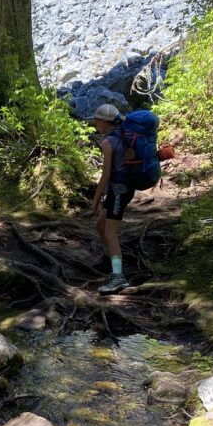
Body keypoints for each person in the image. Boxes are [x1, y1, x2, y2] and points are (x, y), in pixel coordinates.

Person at [90, 103, 132, 295]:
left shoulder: (108, 143)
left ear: (104, 122)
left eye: (97, 120)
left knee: (110, 232)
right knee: (101, 225)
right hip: (124, 188)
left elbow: (105, 175)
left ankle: (118, 277)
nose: (95, 124)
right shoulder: (125, 135)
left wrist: (96, 200)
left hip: (118, 191)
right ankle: (110, 260)